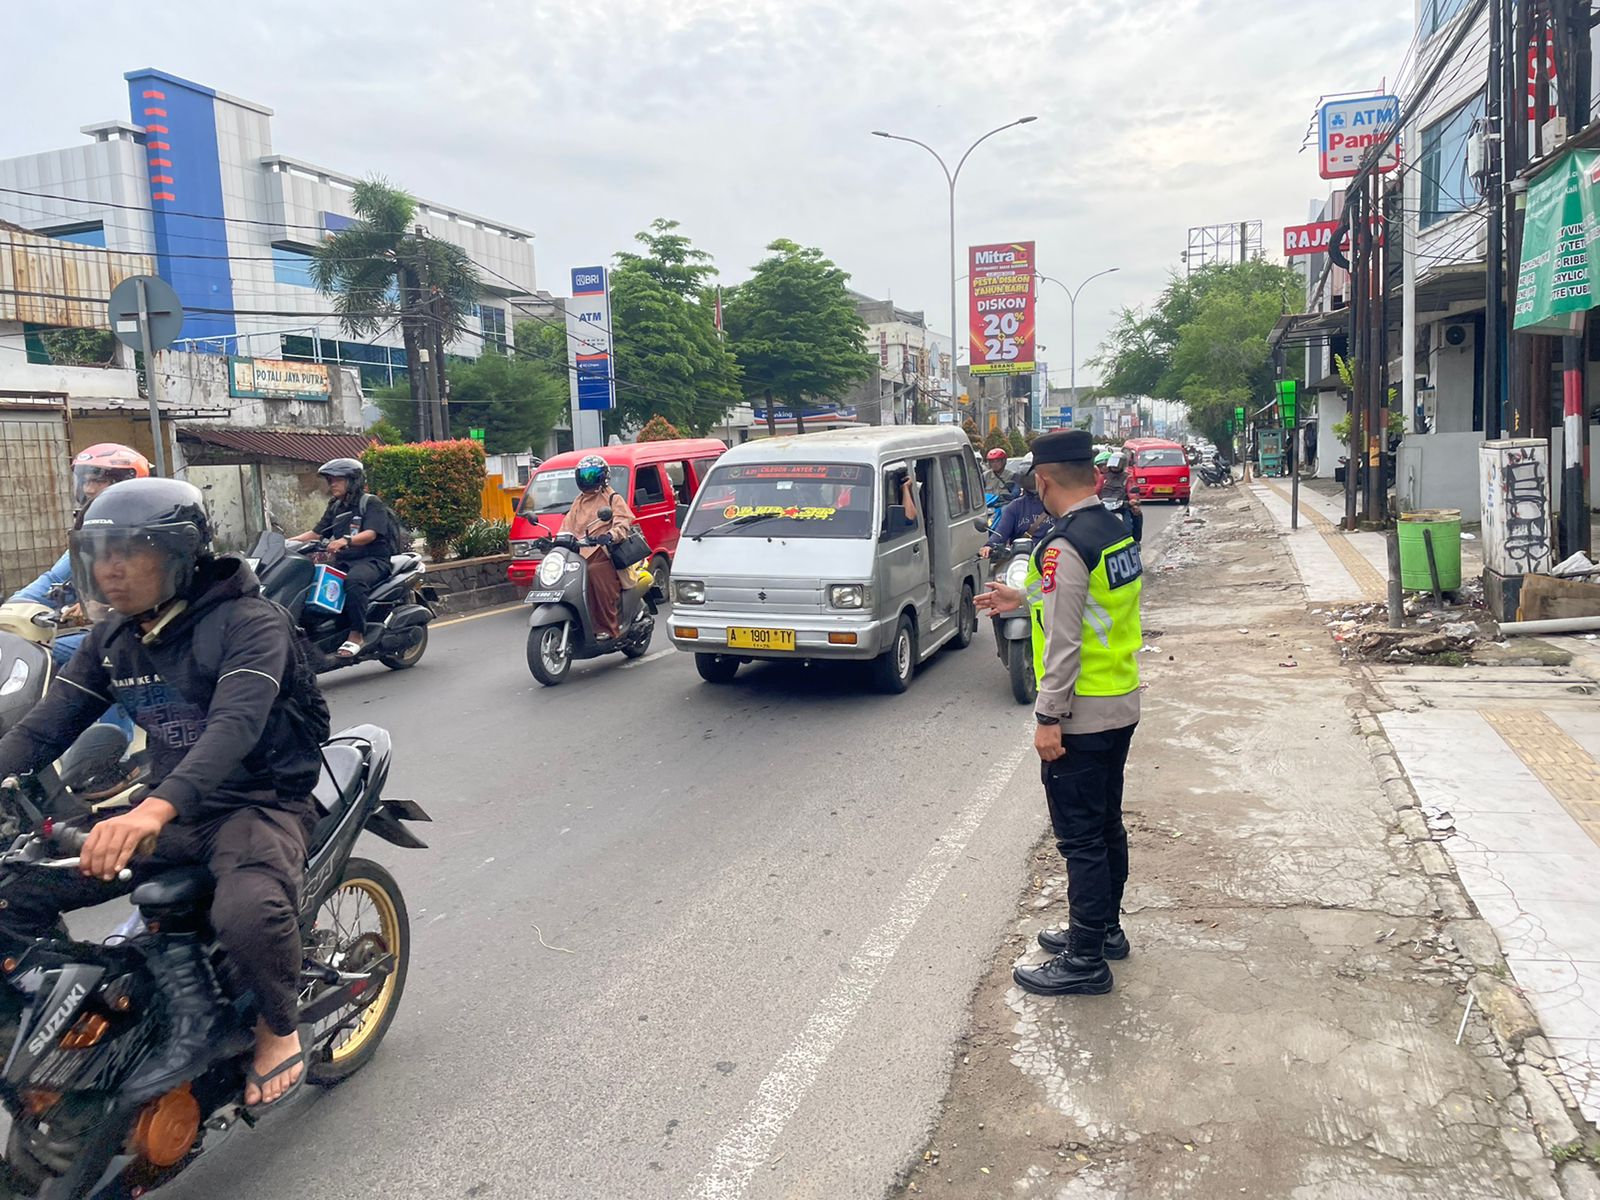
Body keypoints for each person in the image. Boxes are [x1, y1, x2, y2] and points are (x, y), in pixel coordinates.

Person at [0, 478, 326, 1108]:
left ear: (180, 556)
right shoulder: (115, 638)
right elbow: (44, 728)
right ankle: (90, 1018)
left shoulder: (250, 623)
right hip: (171, 806)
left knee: (248, 912)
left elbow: (236, 725)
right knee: (14, 890)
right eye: (100, 554)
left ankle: (277, 1027)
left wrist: (151, 809)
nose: (110, 569)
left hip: (257, 801)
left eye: (130, 552)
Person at [974, 428, 1143, 998]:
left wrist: (1048, 718)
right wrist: (1024, 598)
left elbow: (1067, 640)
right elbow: (1090, 604)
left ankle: (1086, 961)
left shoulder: (1064, 545)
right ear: (1092, 475)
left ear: (1043, 482)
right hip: (1120, 700)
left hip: (1081, 714)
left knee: (1081, 841)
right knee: (1106, 825)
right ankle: (1104, 931)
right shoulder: (1115, 530)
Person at [8, 444, 151, 739]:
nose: (88, 487)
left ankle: (112, 747)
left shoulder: (148, 533)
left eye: (99, 479)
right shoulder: (91, 535)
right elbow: (54, 581)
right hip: (111, 633)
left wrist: (107, 608)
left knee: (67, 656)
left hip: (147, 635)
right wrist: (12, 610)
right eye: (85, 479)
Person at [289, 458, 397, 659]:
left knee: (353, 581)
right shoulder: (335, 506)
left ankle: (357, 635)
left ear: (353, 481)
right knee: (312, 582)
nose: (332, 484)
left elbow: (371, 534)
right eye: (330, 480)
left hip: (373, 560)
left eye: (338, 479)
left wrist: (346, 540)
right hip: (345, 561)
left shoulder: (371, 503)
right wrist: (287, 542)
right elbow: (316, 533)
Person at [560, 454, 635, 640]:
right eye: (584, 475)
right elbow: (566, 526)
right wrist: (557, 540)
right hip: (579, 554)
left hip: (604, 553)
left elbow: (623, 522)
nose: (588, 479)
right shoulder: (578, 501)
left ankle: (607, 628)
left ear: (603, 476)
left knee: (594, 573)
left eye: (592, 474)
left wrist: (610, 535)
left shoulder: (612, 498)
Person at [981, 469, 1050, 558]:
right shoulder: (1016, 506)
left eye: (1034, 480)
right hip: (1021, 558)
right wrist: (989, 545)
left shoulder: (1054, 504)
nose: (1032, 483)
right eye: (1028, 480)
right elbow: (1001, 532)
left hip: (1050, 557)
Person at [1096, 450, 1144, 543]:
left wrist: (1133, 500)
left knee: (1137, 513)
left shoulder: (1128, 477)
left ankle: (1136, 541)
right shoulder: (1103, 477)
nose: (1114, 466)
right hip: (1103, 505)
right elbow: (1097, 489)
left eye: (1117, 463)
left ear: (1122, 464)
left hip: (1122, 505)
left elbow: (1132, 491)